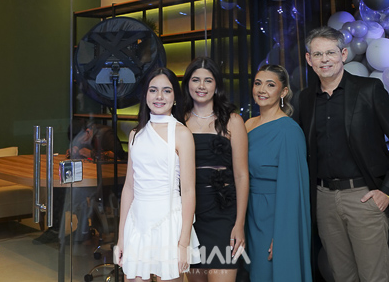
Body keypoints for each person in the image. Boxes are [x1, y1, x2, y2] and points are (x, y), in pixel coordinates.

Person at [296, 26, 389, 282]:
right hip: (324, 200)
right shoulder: (305, 99)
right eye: (317, 54)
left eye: (330, 52)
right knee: (342, 276)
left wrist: (387, 191)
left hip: (363, 197)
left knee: (374, 277)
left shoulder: (369, 90)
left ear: (343, 54)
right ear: (309, 59)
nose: (324, 59)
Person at [114, 67, 201, 281]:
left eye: (166, 91)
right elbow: (129, 187)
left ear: (175, 97)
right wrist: (121, 237)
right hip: (137, 220)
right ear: (145, 95)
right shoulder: (135, 134)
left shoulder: (182, 134)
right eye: (153, 90)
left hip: (168, 222)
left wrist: (183, 244)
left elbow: (188, 191)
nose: (159, 96)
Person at [176, 57, 249, 282]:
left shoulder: (233, 121)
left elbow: (241, 175)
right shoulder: (178, 121)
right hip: (188, 216)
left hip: (223, 215)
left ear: (216, 85)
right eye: (195, 80)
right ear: (187, 84)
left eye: (208, 80)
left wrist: (239, 224)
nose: (201, 86)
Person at [244, 64, 312, 282]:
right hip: (248, 211)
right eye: (258, 83)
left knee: (268, 273)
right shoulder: (247, 125)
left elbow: (293, 190)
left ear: (283, 92)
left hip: (274, 215)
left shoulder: (289, 131)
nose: (262, 89)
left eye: (270, 85)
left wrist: (283, 236)